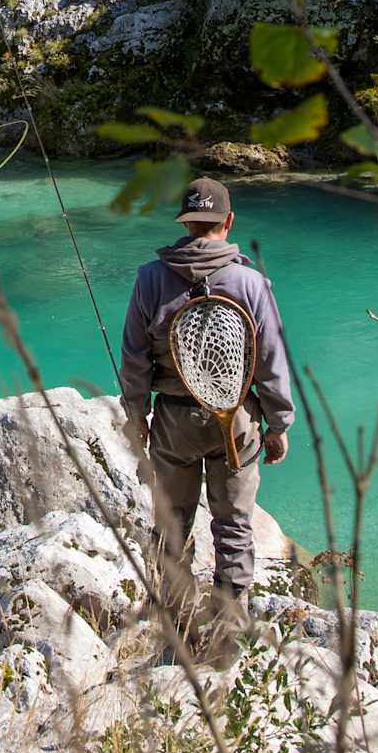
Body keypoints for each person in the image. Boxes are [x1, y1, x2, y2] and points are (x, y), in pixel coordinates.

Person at [119, 177, 294, 616]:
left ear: (186, 223)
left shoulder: (149, 278)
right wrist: (278, 425)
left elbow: (135, 358)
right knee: (234, 527)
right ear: (228, 222)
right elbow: (271, 361)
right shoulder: (253, 284)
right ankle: (230, 630)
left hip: (174, 422)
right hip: (237, 420)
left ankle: (175, 623)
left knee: (172, 524)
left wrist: (137, 417)